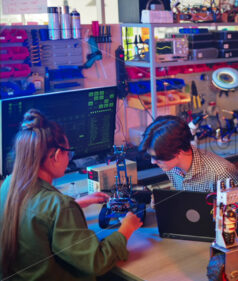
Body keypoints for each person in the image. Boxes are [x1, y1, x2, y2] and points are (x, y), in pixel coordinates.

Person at [0, 109, 143, 281]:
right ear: (57, 155)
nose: (69, 159)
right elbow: (97, 262)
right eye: (69, 153)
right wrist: (126, 228)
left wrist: (76, 204)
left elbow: (39, 215)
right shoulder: (59, 206)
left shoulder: (8, 185)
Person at [139, 115, 238, 192]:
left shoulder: (220, 173)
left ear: (178, 151)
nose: (153, 162)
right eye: (151, 156)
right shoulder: (172, 167)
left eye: (158, 157)